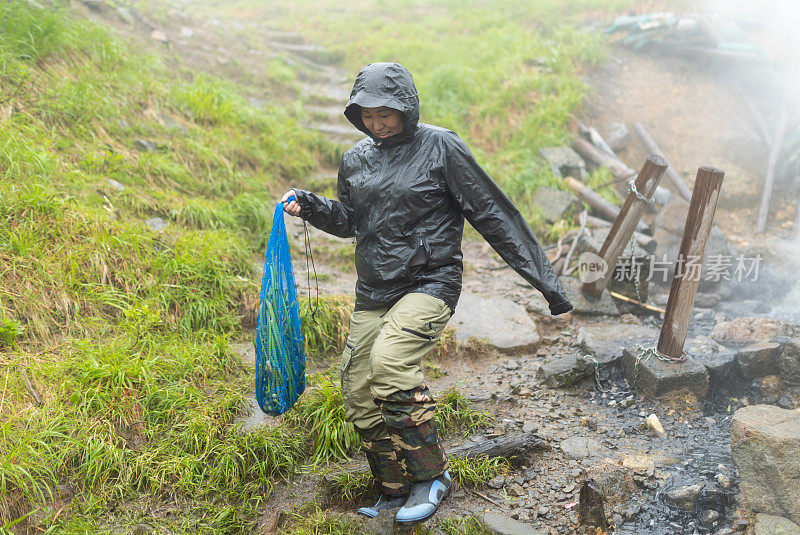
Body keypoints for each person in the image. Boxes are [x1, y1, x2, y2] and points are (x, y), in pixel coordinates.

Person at [280, 62, 572, 525]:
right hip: (375, 287)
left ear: (407, 108)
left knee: (391, 364)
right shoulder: (356, 158)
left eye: (387, 114)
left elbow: (492, 213)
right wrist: (312, 206)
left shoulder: (440, 146)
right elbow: (351, 221)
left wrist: (547, 285)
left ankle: (430, 476)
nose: (377, 124)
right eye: (368, 115)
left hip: (429, 282)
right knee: (358, 389)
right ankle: (393, 488)